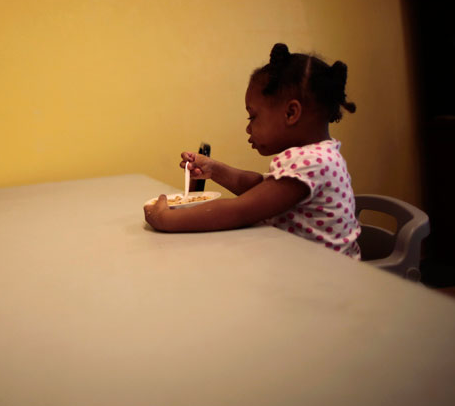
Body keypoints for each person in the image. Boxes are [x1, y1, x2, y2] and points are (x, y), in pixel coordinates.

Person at [144, 43, 361, 259]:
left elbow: (238, 211)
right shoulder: (318, 156)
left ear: (291, 113)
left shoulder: (313, 161)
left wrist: (165, 219)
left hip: (325, 277)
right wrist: (214, 169)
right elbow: (259, 188)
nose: (248, 128)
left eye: (253, 116)